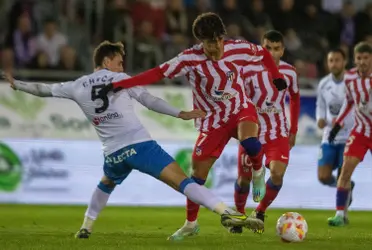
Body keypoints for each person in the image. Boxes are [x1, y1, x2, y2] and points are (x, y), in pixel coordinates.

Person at [2, 41, 264, 239]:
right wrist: (179, 113)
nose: (122, 67)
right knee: (183, 181)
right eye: (119, 62)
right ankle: (225, 211)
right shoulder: (120, 79)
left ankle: (86, 226)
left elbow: (43, 90)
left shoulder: (77, 85)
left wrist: (17, 84)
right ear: (107, 61)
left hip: (113, 153)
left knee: (106, 183)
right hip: (139, 146)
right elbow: (149, 101)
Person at [96, 12, 286, 241]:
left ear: (221, 37)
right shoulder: (189, 59)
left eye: (217, 40)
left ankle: (257, 170)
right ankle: (190, 224)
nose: (214, 47)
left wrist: (276, 76)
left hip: (240, 110)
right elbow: (157, 72)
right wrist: (123, 84)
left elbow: (264, 54)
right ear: (200, 41)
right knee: (196, 176)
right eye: (208, 42)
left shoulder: (238, 48)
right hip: (212, 121)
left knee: (251, 142)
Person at [230, 30, 300, 234]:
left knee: (277, 173)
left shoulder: (290, 72)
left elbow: (295, 98)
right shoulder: (248, 70)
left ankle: (259, 212)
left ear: (282, 50)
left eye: (276, 49)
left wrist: (293, 130)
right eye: (267, 48)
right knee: (244, 180)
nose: (271, 52)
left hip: (277, 132)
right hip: (252, 131)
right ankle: (239, 215)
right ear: (262, 47)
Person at [327, 42, 372, 226]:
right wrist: (337, 124)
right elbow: (348, 102)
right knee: (344, 172)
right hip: (360, 132)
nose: (362, 61)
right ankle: (340, 215)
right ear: (354, 59)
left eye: (366, 58)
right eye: (359, 58)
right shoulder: (350, 78)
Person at [316, 48, 355, 210]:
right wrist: (320, 119)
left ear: (344, 62)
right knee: (323, 176)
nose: (334, 64)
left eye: (337, 60)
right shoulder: (324, 83)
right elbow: (320, 105)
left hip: (348, 136)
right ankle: (348, 188)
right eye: (331, 60)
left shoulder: (352, 81)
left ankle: (342, 214)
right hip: (329, 136)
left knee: (342, 176)